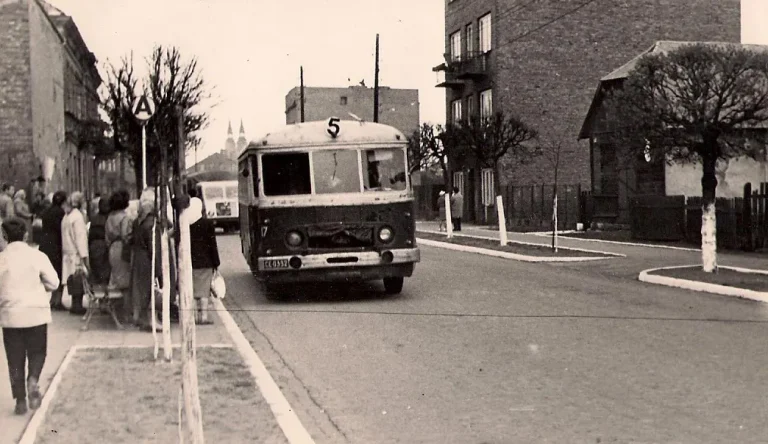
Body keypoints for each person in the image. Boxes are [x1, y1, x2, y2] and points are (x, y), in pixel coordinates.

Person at [0, 217, 60, 415]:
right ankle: (33, 378)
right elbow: (54, 282)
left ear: (4, 236)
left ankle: (19, 400)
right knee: (37, 352)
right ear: (26, 235)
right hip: (36, 312)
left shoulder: (2, 259)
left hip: (11, 316)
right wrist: (41, 287)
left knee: (14, 358)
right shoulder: (38, 256)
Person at [130, 189, 163, 331]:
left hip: (138, 258)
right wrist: (158, 269)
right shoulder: (151, 224)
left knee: (140, 289)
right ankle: (151, 320)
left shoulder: (137, 222)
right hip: (148, 260)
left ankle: (141, 318)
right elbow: (153, 247)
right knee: (150, 290)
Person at [188, 197, 220, 325]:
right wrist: (216, 263)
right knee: (204, 291)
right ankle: (204, 316)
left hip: (190, 262)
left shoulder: (185, 223)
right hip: (206, 262)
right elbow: (212, 244)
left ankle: (194, 317)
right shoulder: (207, 224)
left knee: (193, 291)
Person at [105, 190, 133, 322]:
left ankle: (117, 311)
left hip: (112, 248)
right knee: (126, 282)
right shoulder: (124, 217)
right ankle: (126, 314)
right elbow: (125, 235)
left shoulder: (110, 217)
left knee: (117, 278)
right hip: (122, 248)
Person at [61, 192, 89, 315]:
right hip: (76, 253)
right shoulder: (78, 218)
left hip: (68, 251)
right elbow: (80, 238)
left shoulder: (67, 216)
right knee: (78, 278)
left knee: (72, 278)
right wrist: (84, 256)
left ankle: (75, 303)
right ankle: (77, 304)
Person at [39, 191, 67, 310]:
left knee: (48, 270)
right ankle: (57, 300)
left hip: (45, 242)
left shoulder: (46, 211)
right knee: (58, 271)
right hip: (56, 243)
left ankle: (51, 299)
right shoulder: (60, 212)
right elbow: (60, 229)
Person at [88, 198, 111, 295]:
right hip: (104, 247)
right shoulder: (109, 218)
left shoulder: (94, 218)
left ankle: (100, 298)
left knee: (98, 275)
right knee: (105, 275)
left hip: (94, 248)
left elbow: (90, 236)